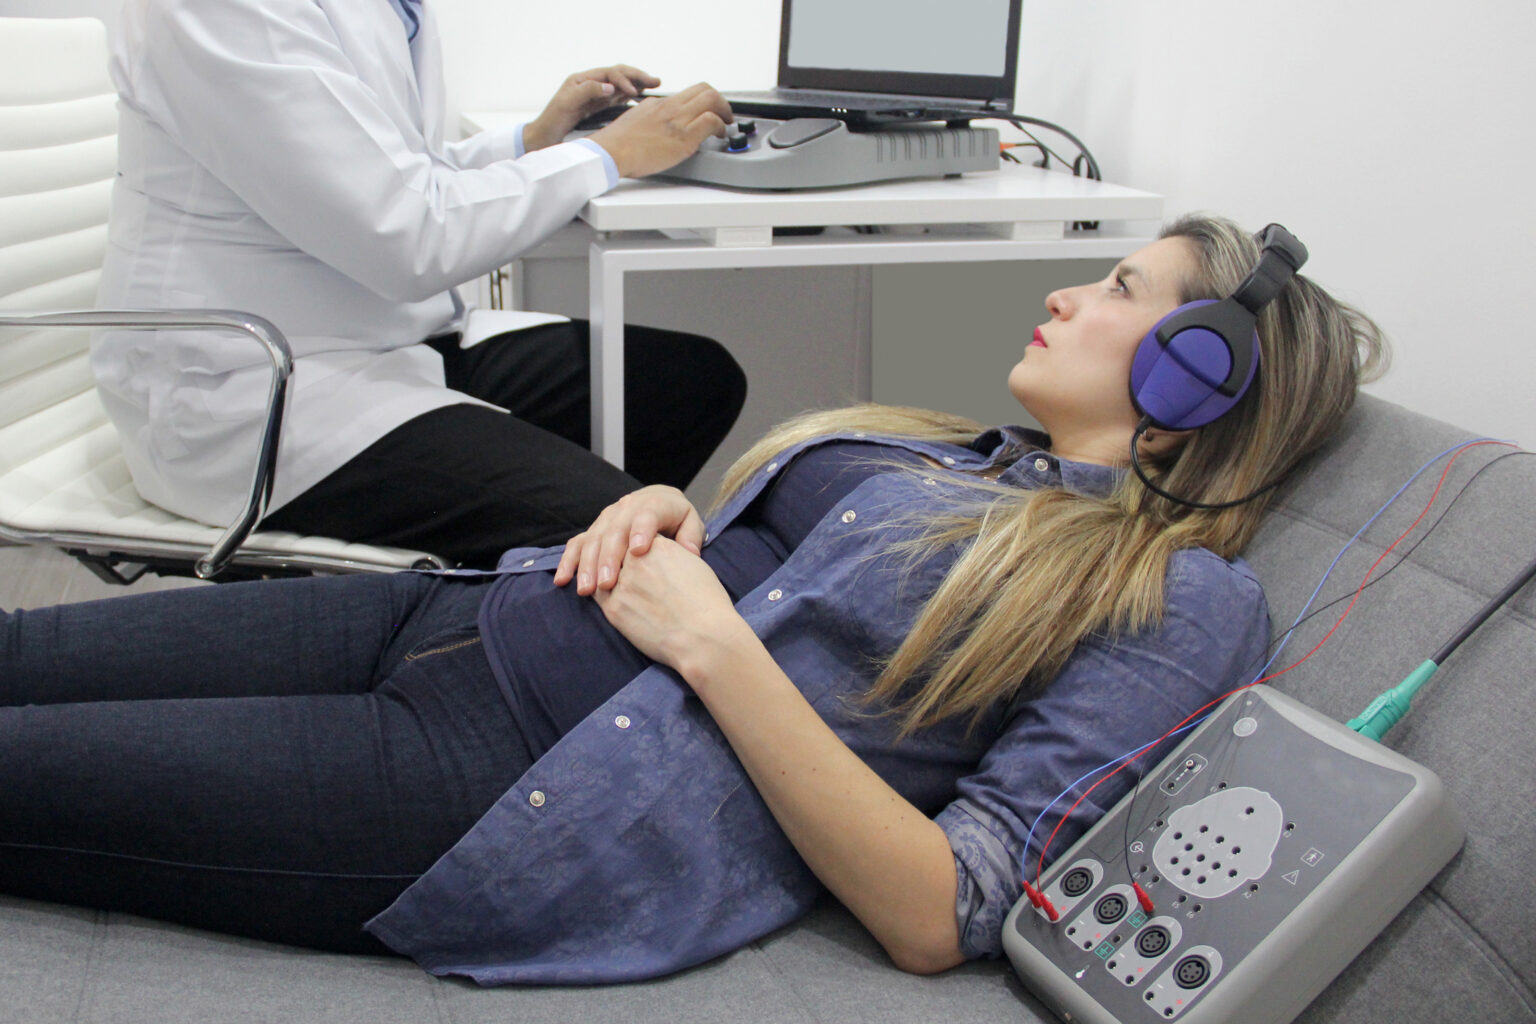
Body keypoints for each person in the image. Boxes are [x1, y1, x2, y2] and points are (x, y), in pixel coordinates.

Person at [1, 215, 1387, 983]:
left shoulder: (1182, 600)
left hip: (498, 780)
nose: (1069, 294)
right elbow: (785, 580)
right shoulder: (973, 458)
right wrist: (672, 512)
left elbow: (944, 906)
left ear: (1194, 374)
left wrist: (719, 647)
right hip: (455, 617)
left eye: (1120, 287)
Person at [94, 0, 746, 568]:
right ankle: (492, 629)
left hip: (376, 339)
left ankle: (525, 601)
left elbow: (391, 174)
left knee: (689, 384)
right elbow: (407, 237)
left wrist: (536, 140)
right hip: (253, 387)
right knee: (626, 532)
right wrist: (605, 155)